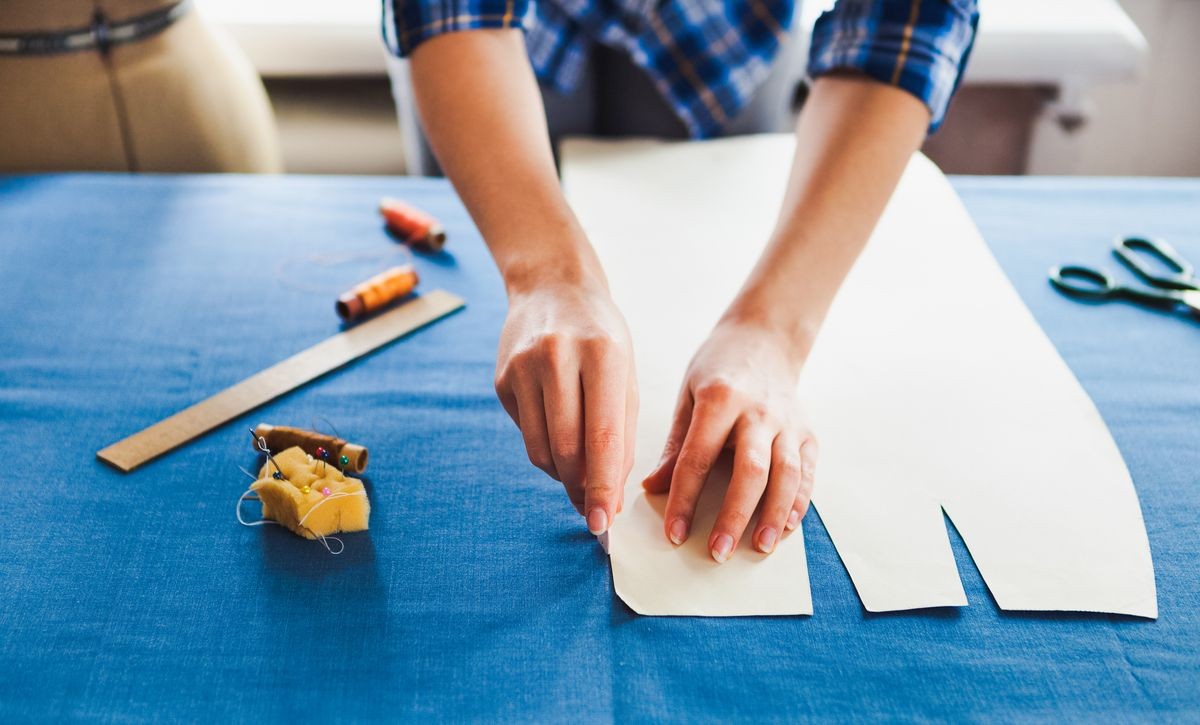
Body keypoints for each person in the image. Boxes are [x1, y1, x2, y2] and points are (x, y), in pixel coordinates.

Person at [385, 0, 979, 563]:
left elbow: (902, 27)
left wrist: (772, 330)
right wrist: (547, 276)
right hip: (499, 41)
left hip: (721, 33)